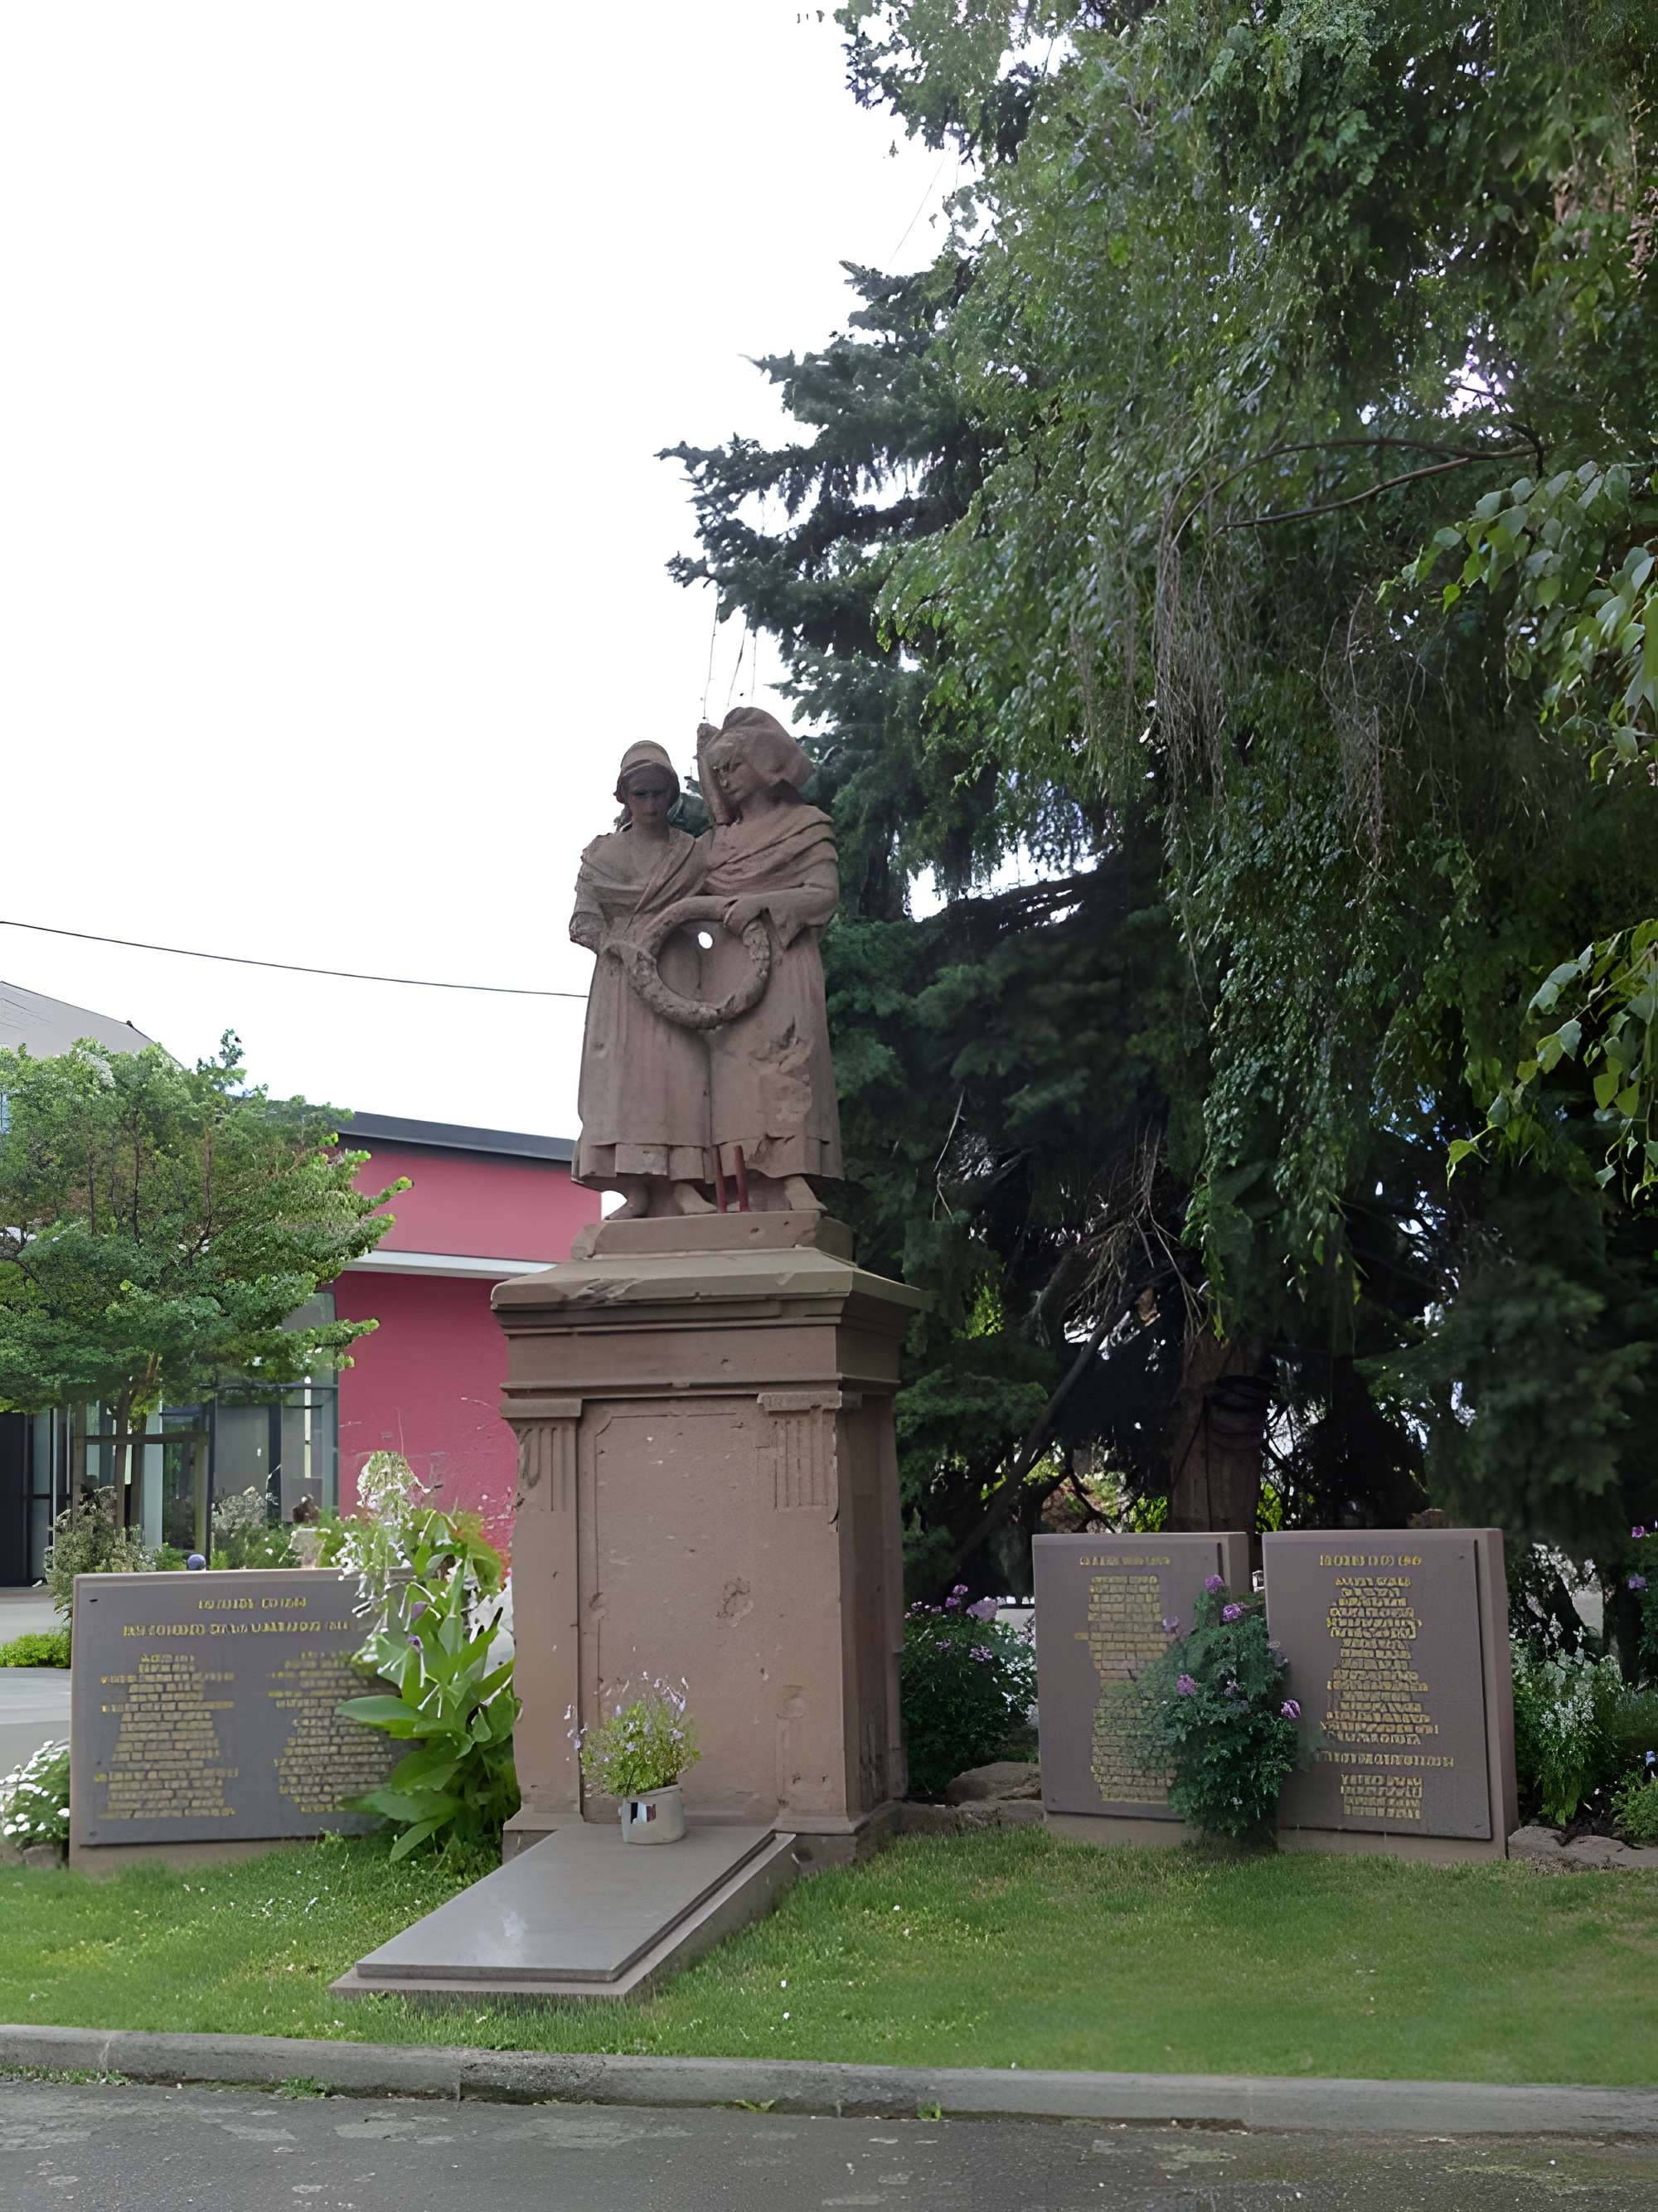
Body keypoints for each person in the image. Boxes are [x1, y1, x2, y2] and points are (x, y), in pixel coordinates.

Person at [696, 707, 843, 1211]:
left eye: (732, 768)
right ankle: (736, 1185)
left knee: (789, 1066)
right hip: (726, 974)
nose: (725, 782)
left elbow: (823, 895)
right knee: (732, 1078)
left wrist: (765, 903)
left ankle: (792, 1176)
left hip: (787, 962)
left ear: (761, 763)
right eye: (717, 775)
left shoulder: (806, 825)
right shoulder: (715, 845)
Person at [569, 742, 716, 1216]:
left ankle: (684, 1184)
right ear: (624, 798)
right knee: (625, 1080)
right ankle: (637, 1190)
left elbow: (713, 913)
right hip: (620, 981)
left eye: (659, 794)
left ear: (672, 795)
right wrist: (613, 945)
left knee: (681, 1072)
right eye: (641, 794)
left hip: (676, 969)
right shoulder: (601, 856)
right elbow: (581, 923)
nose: (650, 804)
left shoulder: (691, 854)